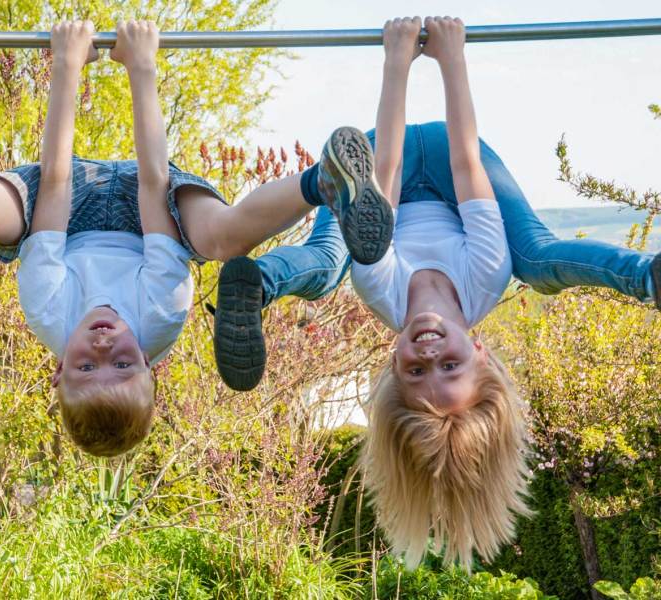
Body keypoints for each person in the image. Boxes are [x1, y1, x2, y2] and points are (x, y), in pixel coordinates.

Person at [214, 15, 660, 569]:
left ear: (391, 365)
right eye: (449, 366)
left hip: (378, 165)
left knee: (334, 260)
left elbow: (387, 174)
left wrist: (396, 61)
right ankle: (649, 276)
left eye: (416, 372)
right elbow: (466, 161)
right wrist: (451, 59)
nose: (428, 355)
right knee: (538, 260)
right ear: (480, 352)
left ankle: (256, 284)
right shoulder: (486, 276)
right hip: (456, 161)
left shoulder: (380, 289)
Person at [0, 19, 393, 456]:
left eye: (86, 366)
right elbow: (153, 182)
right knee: (222, 239)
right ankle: (321, 182)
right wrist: (142, 67)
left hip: (64, 210)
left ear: (56, 371)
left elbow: (56, 180)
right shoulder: (160, 314)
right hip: (148, 212)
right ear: (151, 366)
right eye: (122, 363)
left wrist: (67, 67)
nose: (103, 346)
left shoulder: (48, 312)